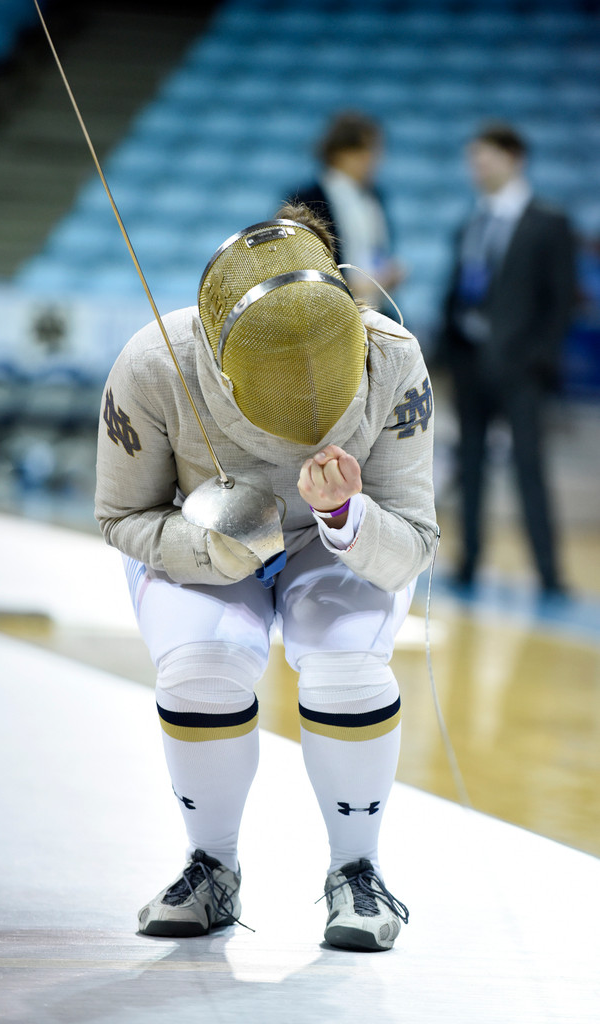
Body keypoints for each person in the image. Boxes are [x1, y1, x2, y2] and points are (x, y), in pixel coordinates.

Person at [95, 202, 437, 952]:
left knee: (347, 666)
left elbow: (411, 542)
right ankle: (211, 865)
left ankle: (358, 870)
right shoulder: (155, 363)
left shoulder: (392, 358)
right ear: (219, 355)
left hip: (337, 541)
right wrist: (218, 552)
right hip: (202, 532)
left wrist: (346, 513)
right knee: (200, 670)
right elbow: (123, 517)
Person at [439, 121, 576, 594]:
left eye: (486, 157)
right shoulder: (472, 221)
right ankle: (469, 562)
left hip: (521, 369)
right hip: (470, 362)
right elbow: (458, 290)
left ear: (514, 158)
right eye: (474, 158)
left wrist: (539, 358)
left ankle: (549, 572)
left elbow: (561, 300)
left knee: (528, 469)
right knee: (470, 465)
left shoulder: (548, 221)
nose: (478, 166)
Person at [290, 110, 406, 307]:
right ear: (341, 153)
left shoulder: (376, 197)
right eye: (367, 151)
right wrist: (351, 286)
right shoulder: (306, 200)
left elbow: (379, 249)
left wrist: (385, 278)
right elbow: (300, 267)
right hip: (329, 314)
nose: (375, 159)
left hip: (375, 312)